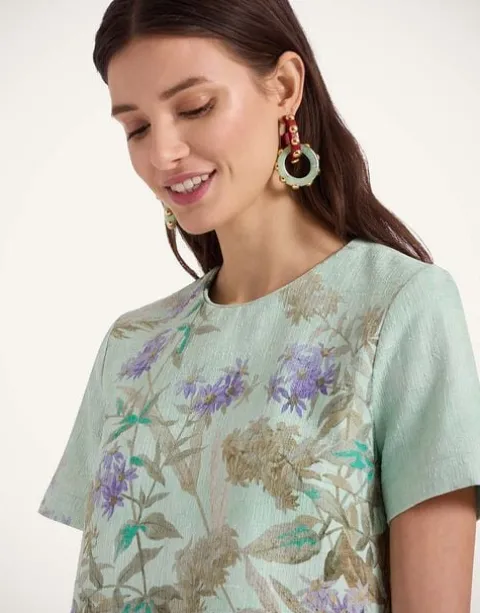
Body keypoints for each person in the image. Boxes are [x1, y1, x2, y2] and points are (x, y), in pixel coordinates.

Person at [38, 1, 480, 612]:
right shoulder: (131, 347)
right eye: (136, 128)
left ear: (285, 87)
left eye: (195, 107)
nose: (162, 153)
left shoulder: (399, 309)